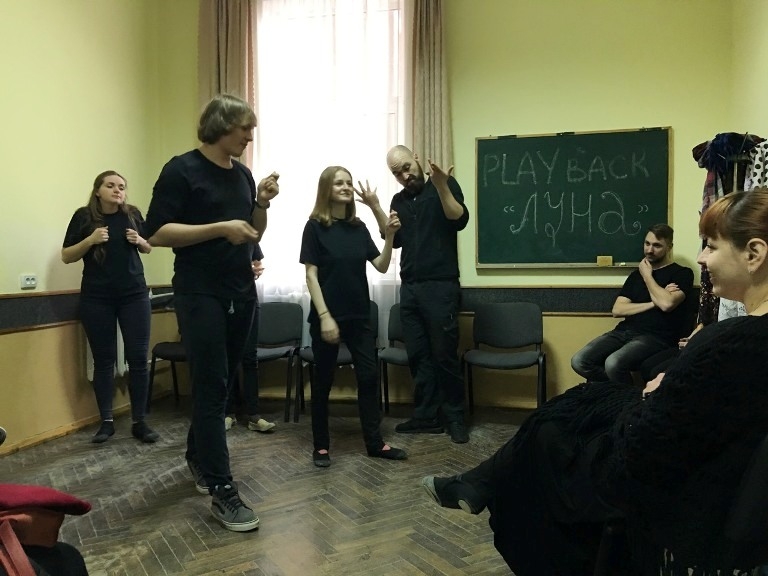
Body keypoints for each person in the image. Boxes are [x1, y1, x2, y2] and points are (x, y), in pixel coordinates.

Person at [422, 189, 768, 575]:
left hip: (662, 476)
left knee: (550, 429)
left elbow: (645, 444)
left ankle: (486, 487)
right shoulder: (739, 336)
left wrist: (658, 391)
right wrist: (671, 384)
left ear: (754, 254)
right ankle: (478, 482)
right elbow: (620, 310)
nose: (702, 257)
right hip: (671, 429)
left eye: (712, 247)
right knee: (581, 385)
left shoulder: (732, 338)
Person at [144, 94, 280, 532]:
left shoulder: (243, 175)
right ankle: (223, 491)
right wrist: (220, 228)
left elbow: (252, 232)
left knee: (219, 386)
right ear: (221, 125)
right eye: (245, 128)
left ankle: (197, 456)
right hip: (199, 293)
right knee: (211, 386)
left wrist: (261, 202)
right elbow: (156, 232)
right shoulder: (181, 169)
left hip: (241, 291)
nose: (250, 136)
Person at [299, 165, 407, 467]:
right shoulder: (314, 227)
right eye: (339, 183)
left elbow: (381, 266)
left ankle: (375, 443)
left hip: (359, 317)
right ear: (326, 189)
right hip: (327, 317)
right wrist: (325, 316)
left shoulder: (358, 228)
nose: (346, 187)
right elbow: (310, 275)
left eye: (348, 182)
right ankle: (321, 446)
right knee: (323, 381)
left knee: (369, 378)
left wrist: (389, 237)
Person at [374, 145, 470, 443]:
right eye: (397, 173)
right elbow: (394, 239)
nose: (404, 175)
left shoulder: (443, 185)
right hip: (410, 288)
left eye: (406, 167)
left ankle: (455, 417)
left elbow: (459, 219)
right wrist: (377, 209)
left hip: (441, 286)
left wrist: (441, 185)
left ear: (416, 158)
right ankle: (426, 416)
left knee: (444, 355)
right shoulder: (398, 200)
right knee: (418, 355)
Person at [61, 171, 159, 444]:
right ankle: (106, 423)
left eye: (122, 187)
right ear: (98, 191)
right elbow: (66, 255)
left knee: (138, 359)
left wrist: (140, 241)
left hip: (134, 295)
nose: (117, 190)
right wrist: (90, 240)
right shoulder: (83, 217)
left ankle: (140, 422)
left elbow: (149, 247)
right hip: (97, 298)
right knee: (104, 360)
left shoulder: (133, 214)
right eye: (111, 185)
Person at [571, 224, 694, 386]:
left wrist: (648, 276)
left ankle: (628, 398)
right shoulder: (635, 276)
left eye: (657, 245)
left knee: (613, 363)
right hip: (623, 332)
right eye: (647, 243)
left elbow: (666, 304)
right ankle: (613, 391)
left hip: (655, 337)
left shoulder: (682, 273)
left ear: (669, 247)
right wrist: (654, 302)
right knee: (579, 361)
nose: (649, 250)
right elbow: (618, 310)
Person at [224, 245, 276, 433]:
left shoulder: (248, 234)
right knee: (227, 359)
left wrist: (256, 269)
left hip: (249, 300)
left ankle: (254, 415)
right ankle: (228, 413)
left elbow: (257, 262)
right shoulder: (216, 233)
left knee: (250, 359)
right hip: (223, 301)